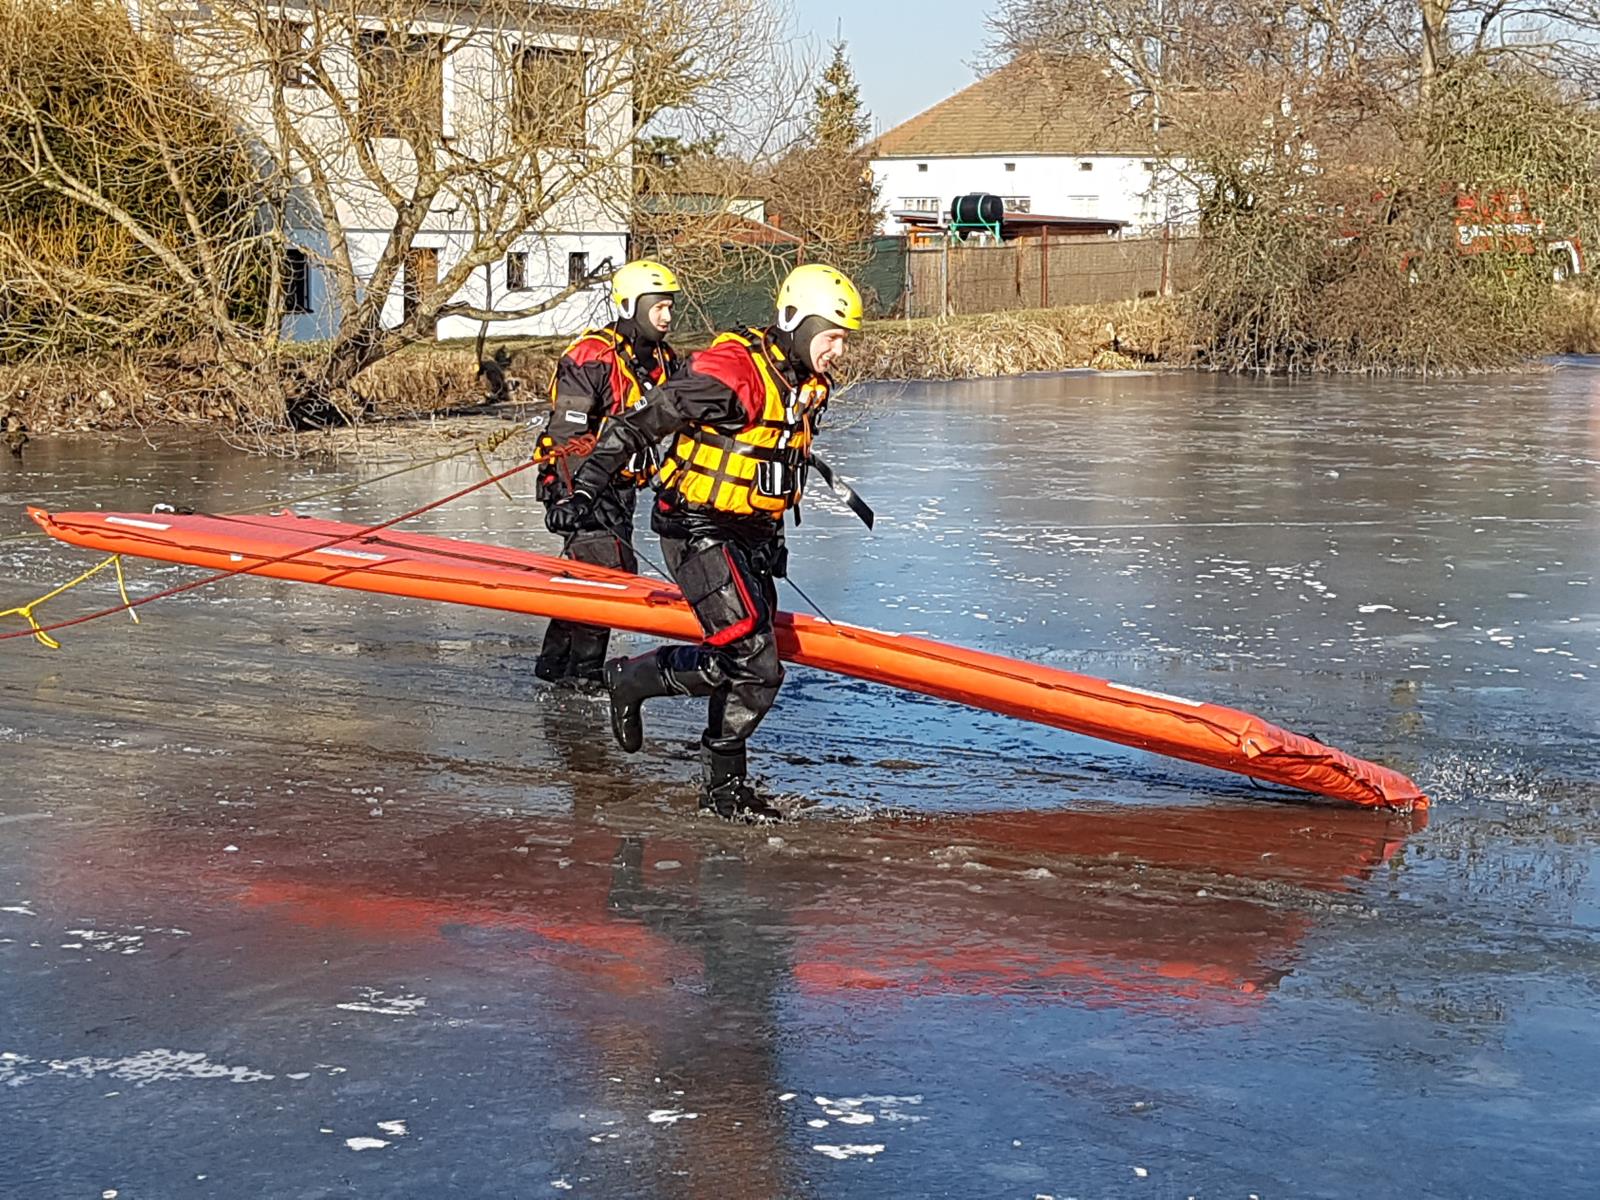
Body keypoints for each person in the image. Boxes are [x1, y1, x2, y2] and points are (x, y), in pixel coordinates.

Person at [547, 264, 864, 820]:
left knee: (746, 662)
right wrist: (582, 490)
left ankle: (724, 789)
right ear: (796, 321)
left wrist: (772, 540)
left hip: (750, 533)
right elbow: (634, 426)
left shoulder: (804, 384)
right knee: (754, 659)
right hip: (695, 526)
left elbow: (775, 461)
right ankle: (633, 679)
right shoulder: (731, 373)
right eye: (832, 336)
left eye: (843, 339)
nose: (838, 350)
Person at [533, 259, 681, 686]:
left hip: (622, 488)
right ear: (632, 305)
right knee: (606, 580)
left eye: (670, 307)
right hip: (581, 485)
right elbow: (568, 433)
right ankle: (585, 678)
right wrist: (570, 495)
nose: (667, 317)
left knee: (584, 576)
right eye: (659, 308)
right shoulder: (592, 358)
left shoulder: (664, 361)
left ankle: (552, 666)